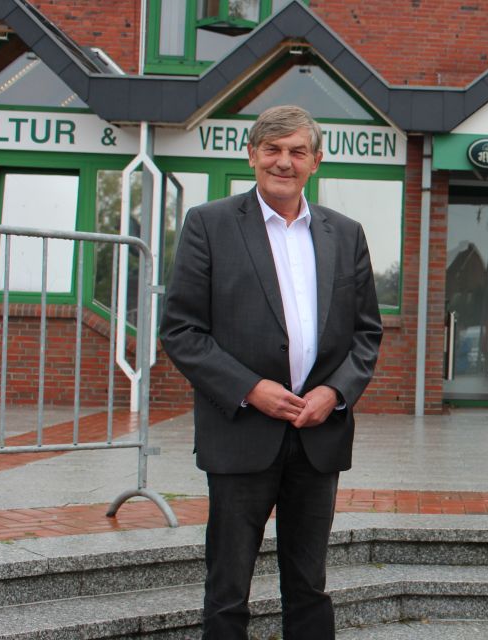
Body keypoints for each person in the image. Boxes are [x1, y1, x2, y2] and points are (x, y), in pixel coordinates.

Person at [160, 104, 382, 639]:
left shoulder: (345, 233)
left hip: (318, 433)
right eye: (273, 150)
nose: (284, 162)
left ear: (316, 161)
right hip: (241, 432)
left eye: (297, 152)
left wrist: (336, 391)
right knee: (228, 586)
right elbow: (182, 330)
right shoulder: (209, 224)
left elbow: (366, 334)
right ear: (252, 155)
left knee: (309, 584)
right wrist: (250, 389)